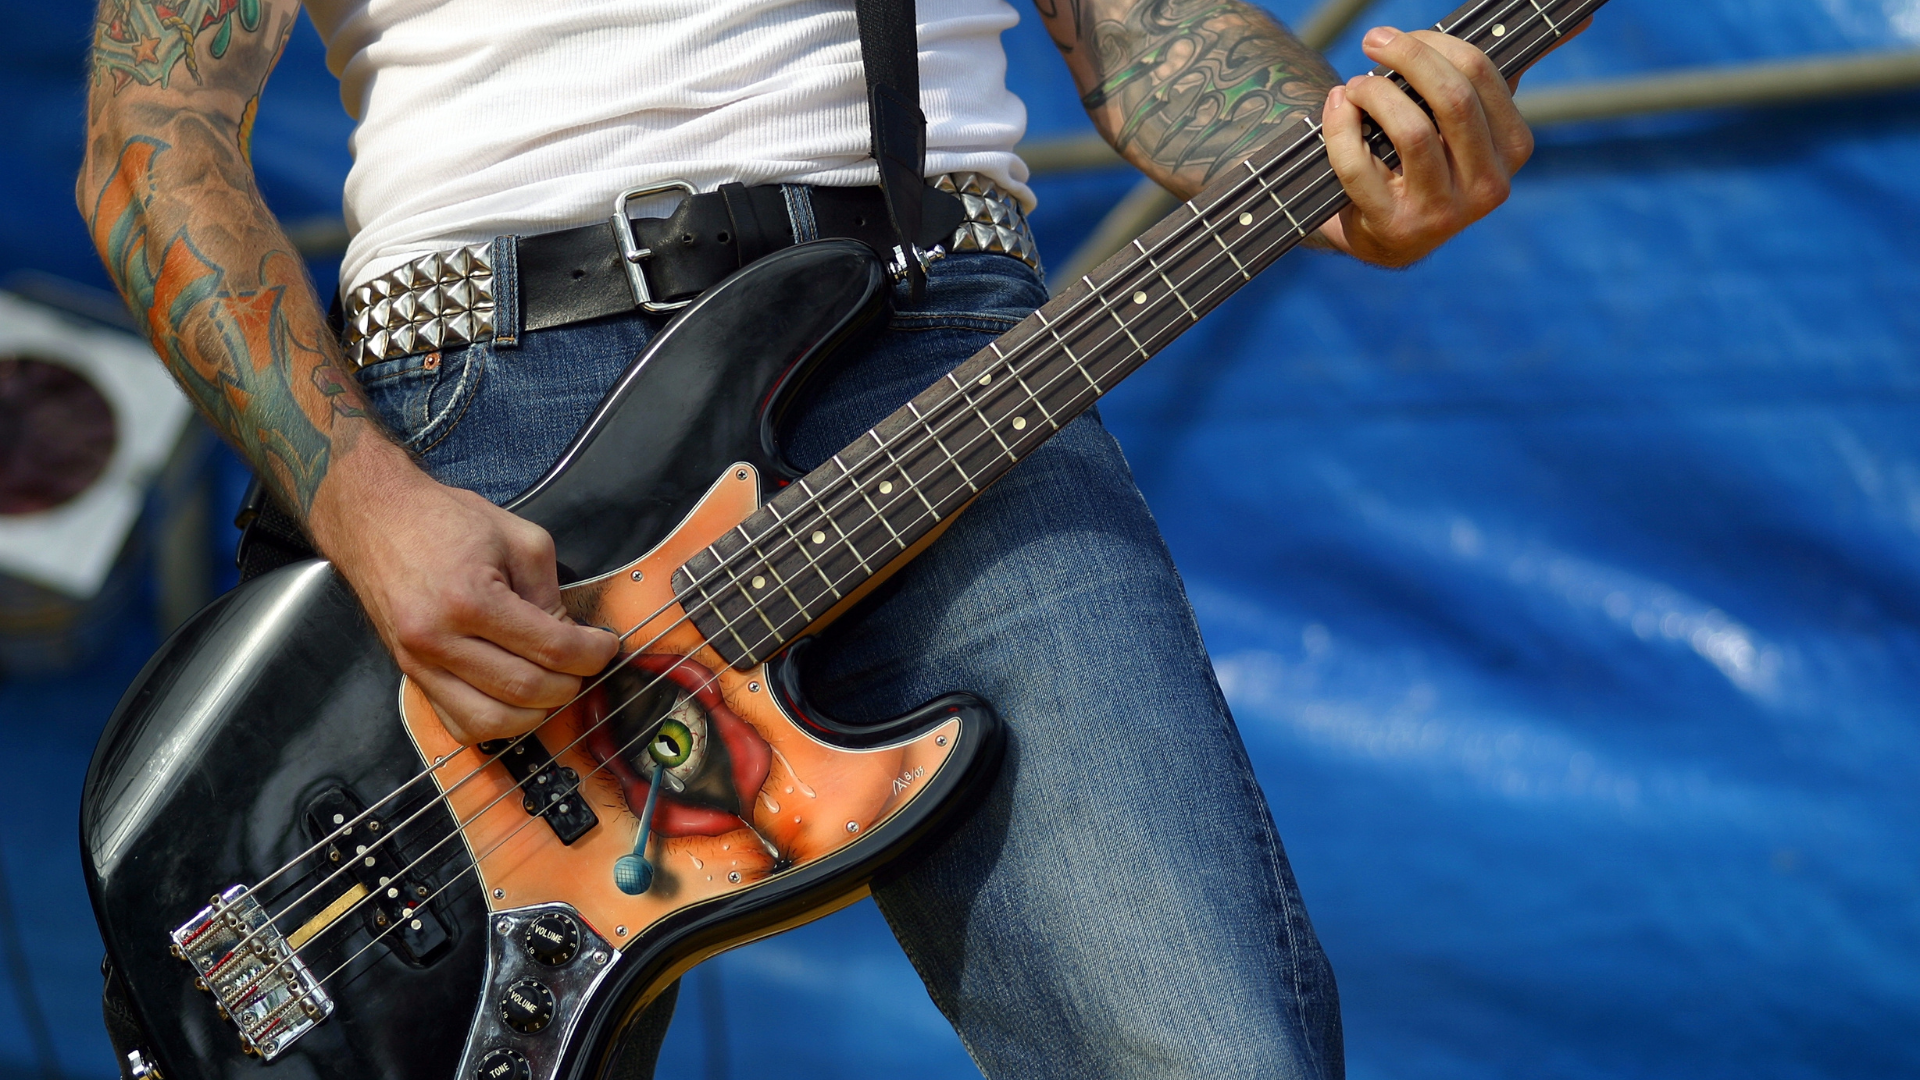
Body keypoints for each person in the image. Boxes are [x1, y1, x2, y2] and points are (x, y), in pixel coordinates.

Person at [80, 0, 1578, 1075]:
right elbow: (153, 134)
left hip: (937, 349)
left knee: (1199, 1044)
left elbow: (1140, 30)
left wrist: (1348, 156)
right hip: (483, 419)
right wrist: (366, 504)